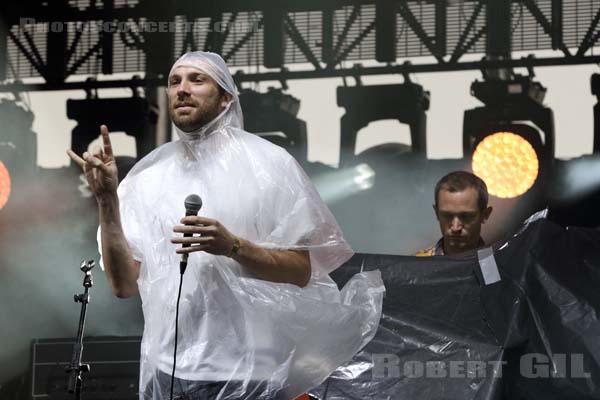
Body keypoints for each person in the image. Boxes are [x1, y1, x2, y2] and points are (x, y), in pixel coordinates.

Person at [67, 51, 383, 400]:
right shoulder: (146, 179)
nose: (182, 89)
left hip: (252, 371)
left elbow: (301, 271)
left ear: (225, 99)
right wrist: (107, 201)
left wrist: (233, 246)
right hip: (170, 371)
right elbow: (124, 284)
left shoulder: (270, 166)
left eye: (196, 80)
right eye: (175, 82)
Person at [416, 171, 493, 256]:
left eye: (466, 216)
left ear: (485, 215)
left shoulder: (500, 265)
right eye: (447, 216)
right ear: (437, 213)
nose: (455, 228)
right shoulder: (416, 265)